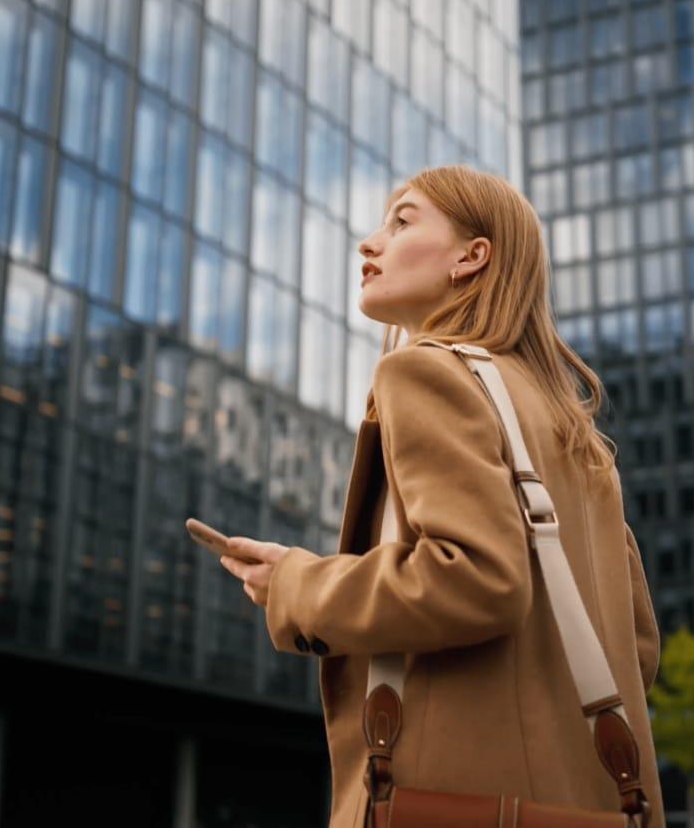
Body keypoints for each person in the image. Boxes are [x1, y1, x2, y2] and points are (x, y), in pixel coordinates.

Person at [208, 165, 663, 826]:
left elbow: (479, 578)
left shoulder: (425, 372)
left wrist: (297, 585)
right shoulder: (577, 437)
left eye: (402, 221)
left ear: (471, 257)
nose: (369, 244)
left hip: (457, 800)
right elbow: (635, 650)